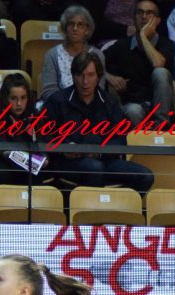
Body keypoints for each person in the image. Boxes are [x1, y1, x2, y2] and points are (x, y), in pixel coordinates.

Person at [43, 52, 154, 194]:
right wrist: (64, 147)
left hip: (104, 160)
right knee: (95, 168)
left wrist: (99, 152)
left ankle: (116, 207)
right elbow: (44, 135)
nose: (85, 82)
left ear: (98, 77)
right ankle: (90, 212)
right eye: (80, 75)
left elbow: (120, 140)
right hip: (68, 163)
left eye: (90, 75)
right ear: (73, 75)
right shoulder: (57, 101)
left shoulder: (110, 102)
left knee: (145, 176)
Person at [104, 0, 175, 123]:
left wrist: (143, 37)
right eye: (140, 12)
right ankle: (140, 141)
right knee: (134, 111)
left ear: (158, 21)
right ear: (133, 19)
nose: (143, 17)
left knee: (160, 72)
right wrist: (108, 76)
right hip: (134, 106)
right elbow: (93, 60)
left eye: (149, 13)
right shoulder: (122, 46)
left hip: (162, 106)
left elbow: (158, 63)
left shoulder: (166, 44)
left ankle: (161, 128)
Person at [0, 74, 41, 189]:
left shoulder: (35, 117)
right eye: (13, 98)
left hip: (28, 163)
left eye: (23, 98)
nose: (19, 104)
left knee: (42, 173)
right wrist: (9, 152)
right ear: (5, 98)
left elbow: (42, 145)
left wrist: (45, 158)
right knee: (1, 173)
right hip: (2, 163)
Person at [38, 6, 106, 102]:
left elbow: (99, 89)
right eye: (71, 24)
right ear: (65, 28)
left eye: (80, 25)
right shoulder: (52, 55)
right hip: (60, 108)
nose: (75, 28)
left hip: (90, 108)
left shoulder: (98, 55)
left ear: (87, 30)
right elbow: (49, 91)